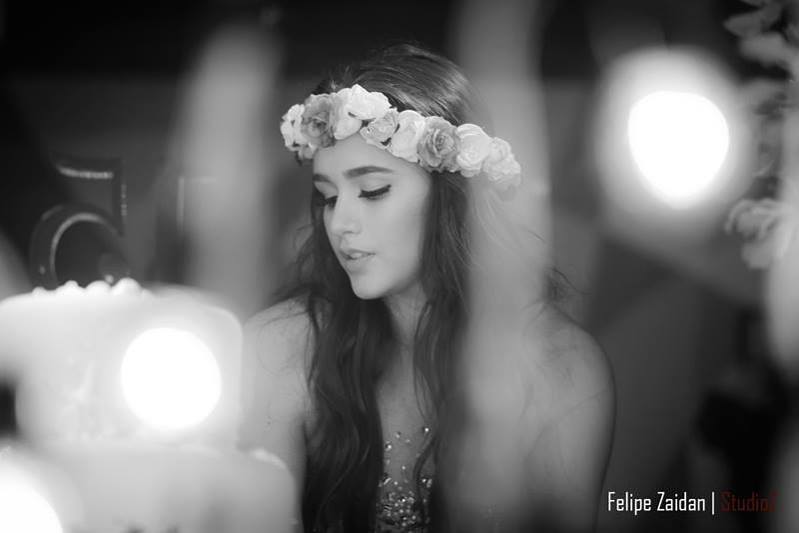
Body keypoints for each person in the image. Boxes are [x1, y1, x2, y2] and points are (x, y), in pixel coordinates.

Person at [238, 43, 615, 533]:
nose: (340, 223)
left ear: (454, 198)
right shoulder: (279, 348)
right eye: (328, 197)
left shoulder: (558, 366)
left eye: (372, 191)